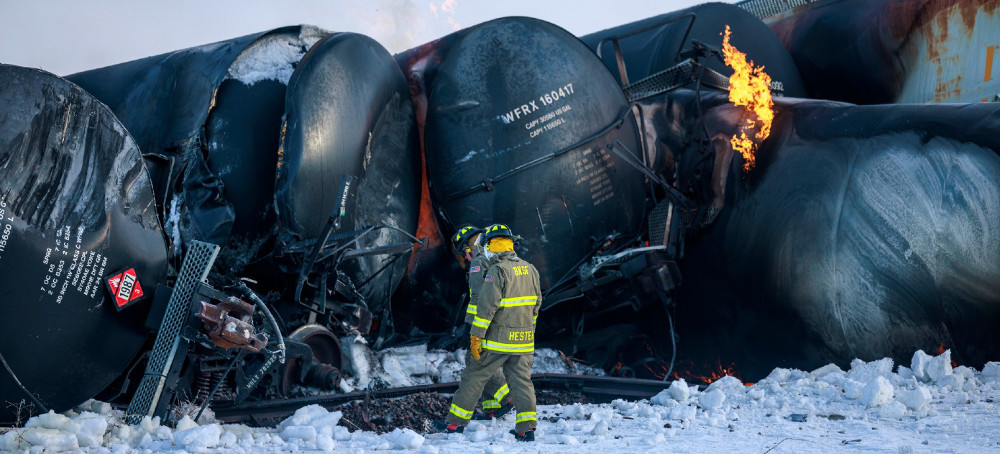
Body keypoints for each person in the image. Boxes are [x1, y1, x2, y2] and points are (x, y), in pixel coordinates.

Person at [442, 223, 542, 441]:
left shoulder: (496, 270)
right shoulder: (530, 268)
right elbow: (536, 306)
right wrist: (530, 330)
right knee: (522, 382)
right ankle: (526, 429)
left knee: (474, 375)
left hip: (497, 338)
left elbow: (485, 307)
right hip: (524, 339)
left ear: (490, 245)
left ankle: (454, 424)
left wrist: (476, 335)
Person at [449, 224, 513, 420]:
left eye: (464, 254)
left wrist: (469, 327)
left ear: (468, 247)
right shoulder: (494, 253)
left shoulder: (479, 260)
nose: (465, 259)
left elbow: (478, 299)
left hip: (490, 319)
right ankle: (492, 407)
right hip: (504, 315)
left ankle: (507, 398)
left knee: (478, 361)